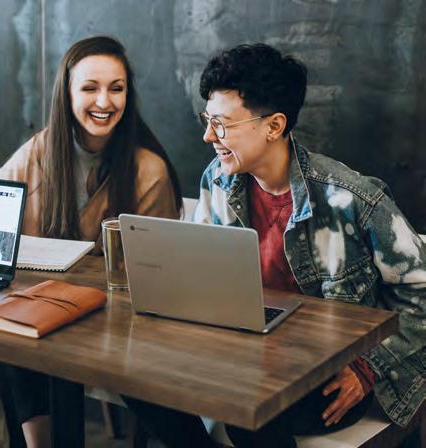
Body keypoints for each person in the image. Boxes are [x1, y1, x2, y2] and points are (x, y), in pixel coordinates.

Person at [124, 43, 426, 447]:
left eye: (222, 124)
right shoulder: (218, 180)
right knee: (134, 377)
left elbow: (420, 292)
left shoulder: (350, 198)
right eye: (207, 120)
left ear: (274, 125)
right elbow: (201, 280)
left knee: (249, 409)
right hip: (245, 355)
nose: (207, 135)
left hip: (328, 370)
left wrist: (369, 368)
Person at [0, 35, 184, 447]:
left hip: (115, 325)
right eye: (89, 88)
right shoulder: (42, 149)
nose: (104, 101)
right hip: (45, 312)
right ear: (67, 93)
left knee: (26, 342)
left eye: (116, 89)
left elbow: (154, 275)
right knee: (8, 335)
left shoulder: (147, 169)